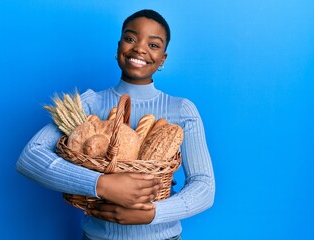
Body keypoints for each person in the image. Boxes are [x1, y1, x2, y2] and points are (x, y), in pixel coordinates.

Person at [16, 9, 215, 240]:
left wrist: (152, 214)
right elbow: (29, 158)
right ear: (118, 46)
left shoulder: (181, 109)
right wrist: (102, 184)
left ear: (163, 59)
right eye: (131, 39)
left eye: (153, 45)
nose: (139, 48)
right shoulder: (89, 104)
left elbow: (204, 186)